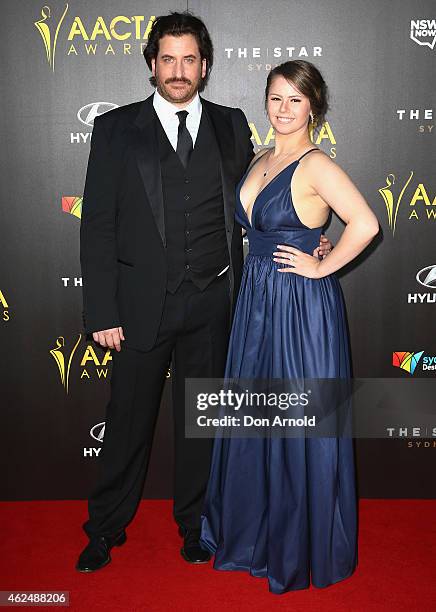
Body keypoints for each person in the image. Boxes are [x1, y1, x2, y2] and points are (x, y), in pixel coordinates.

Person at [77, 12, 332, 573]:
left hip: (215, 304)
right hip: (142, 307)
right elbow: (96, 226)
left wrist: (310, 242)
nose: (178, 70)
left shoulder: (230, 124)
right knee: (126, 425)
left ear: (206, 66)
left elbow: (262, 200)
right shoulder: (117, 129)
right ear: (151, 65)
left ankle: (195, 526)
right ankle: (104, 530)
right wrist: (103, 309)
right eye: (167, 58)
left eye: (189, 59)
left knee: (202, 427)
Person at [200, 60, 379, 594]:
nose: (283, 109)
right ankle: (254, 533)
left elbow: (366, 223)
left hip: (300, 309)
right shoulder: (260, 158)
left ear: (314, 107)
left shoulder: (317, 164)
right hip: (256, 302)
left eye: (295, 100)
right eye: (275, 98)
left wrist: (321, 263)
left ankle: (297, 544)